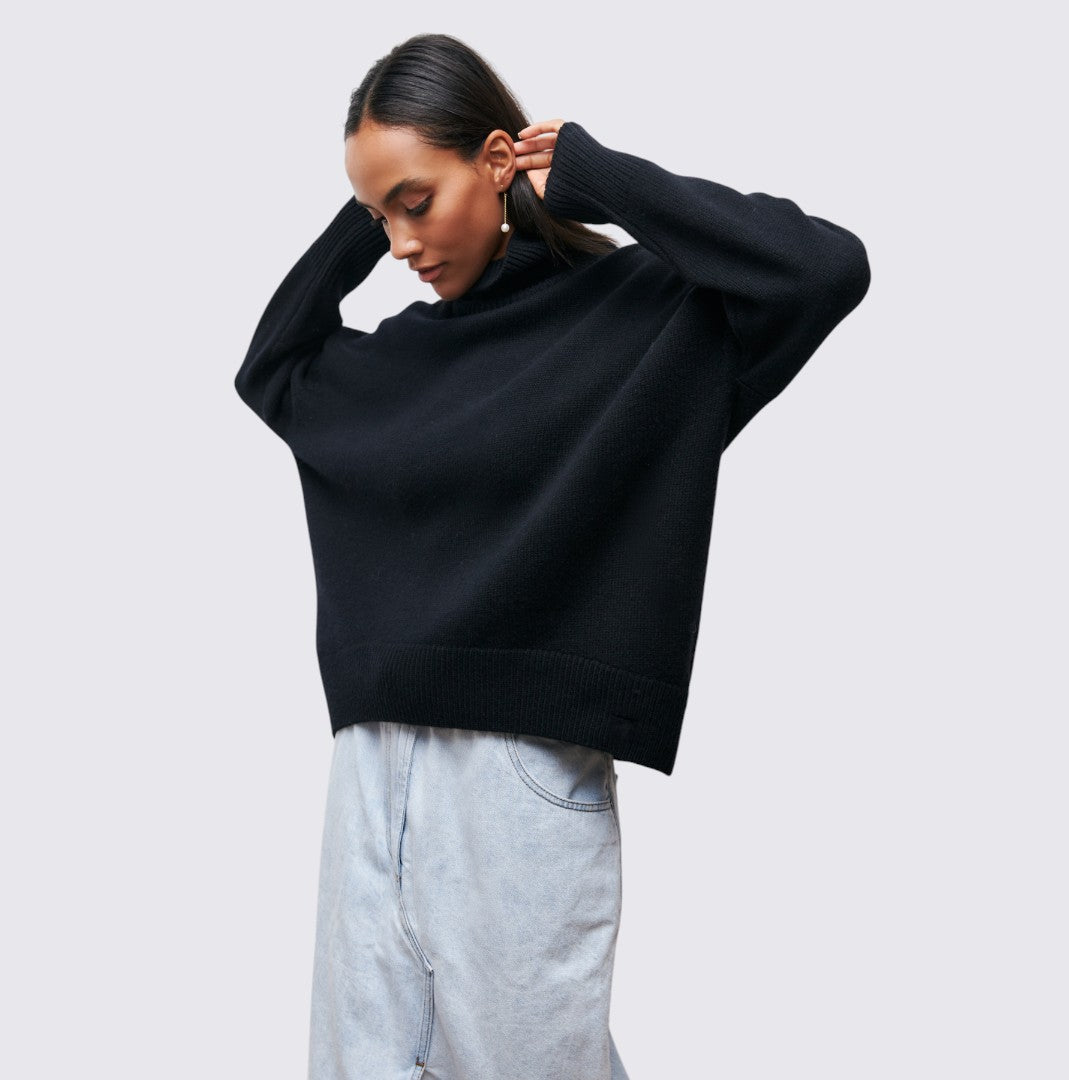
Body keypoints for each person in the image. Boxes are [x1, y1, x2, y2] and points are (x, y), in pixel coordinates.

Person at [234, 32, 870, 1080]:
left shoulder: (640, 319)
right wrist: (371, 207)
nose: (400, 244)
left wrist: (601, 176)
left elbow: (825, 268)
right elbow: (272, 369)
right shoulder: (401, 360)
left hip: (517, 776)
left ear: (497, 161)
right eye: (379, 218)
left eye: (414, 203)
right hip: (369, 771)